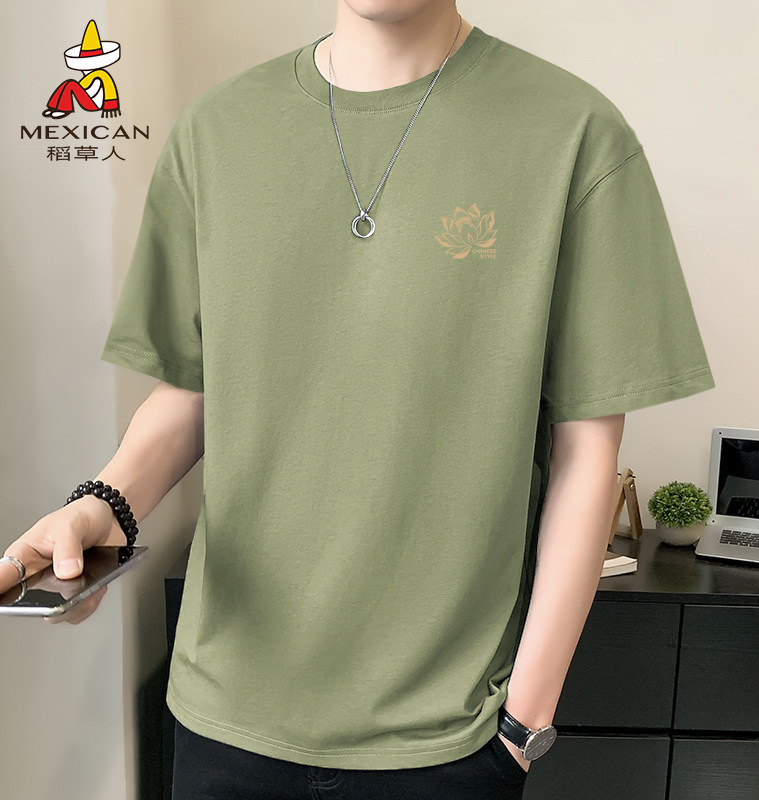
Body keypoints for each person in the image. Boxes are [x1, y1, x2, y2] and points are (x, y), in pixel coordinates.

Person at [0, 2, 715, 798]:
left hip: (448, 741)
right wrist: (102, 504)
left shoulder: (577, 136)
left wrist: (524, 723)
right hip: (222, 717)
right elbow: (193, 391)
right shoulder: (215, 132)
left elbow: (588, 451)